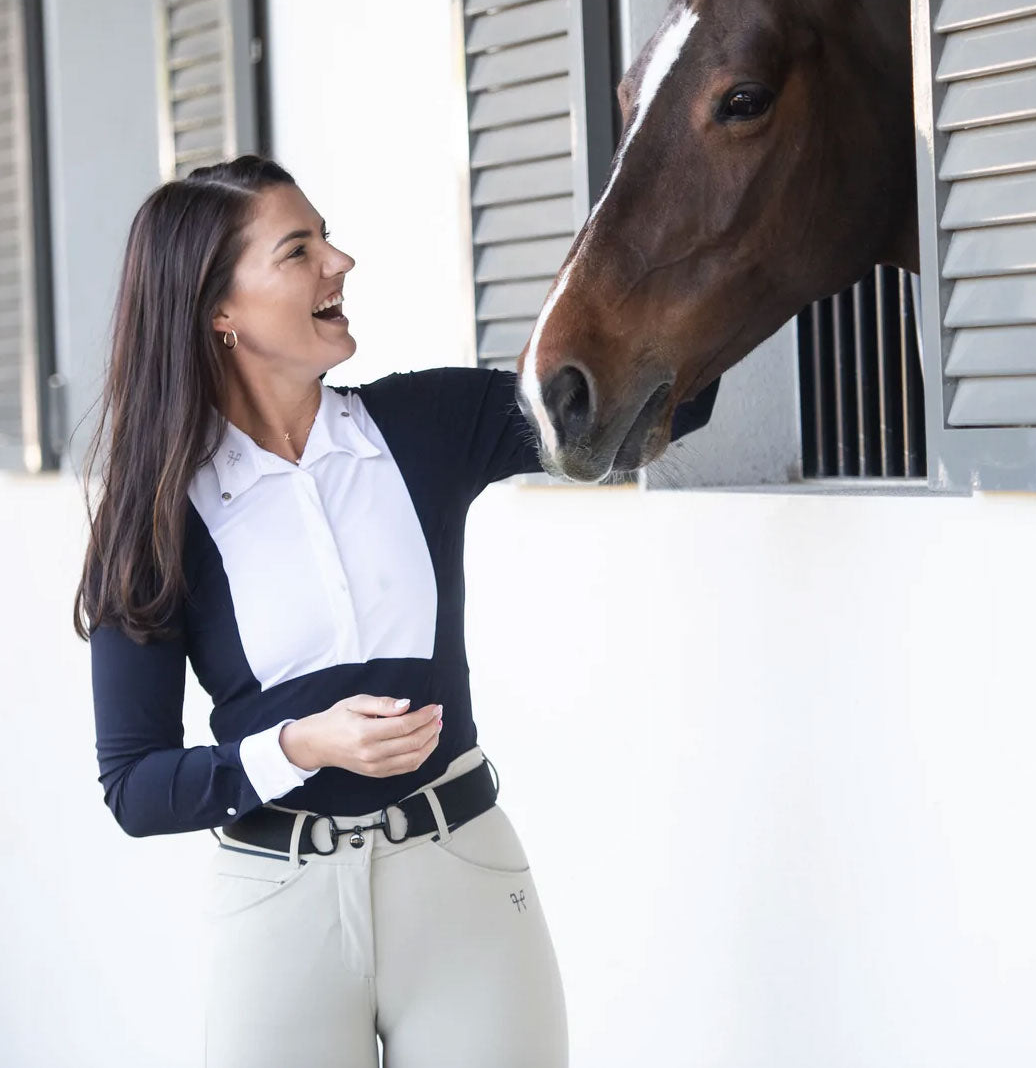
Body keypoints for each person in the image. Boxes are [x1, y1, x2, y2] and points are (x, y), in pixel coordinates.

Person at [74, 155, 719, 1068]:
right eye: (299, 250)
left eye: (327, 239)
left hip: (465, 884)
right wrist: (301, 746)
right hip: (279, 914)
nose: (339, 262)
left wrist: (713, 210)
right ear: (220, 310)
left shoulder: (424, 424)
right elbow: (134, 788)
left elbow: (651, 406)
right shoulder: (152, 518)